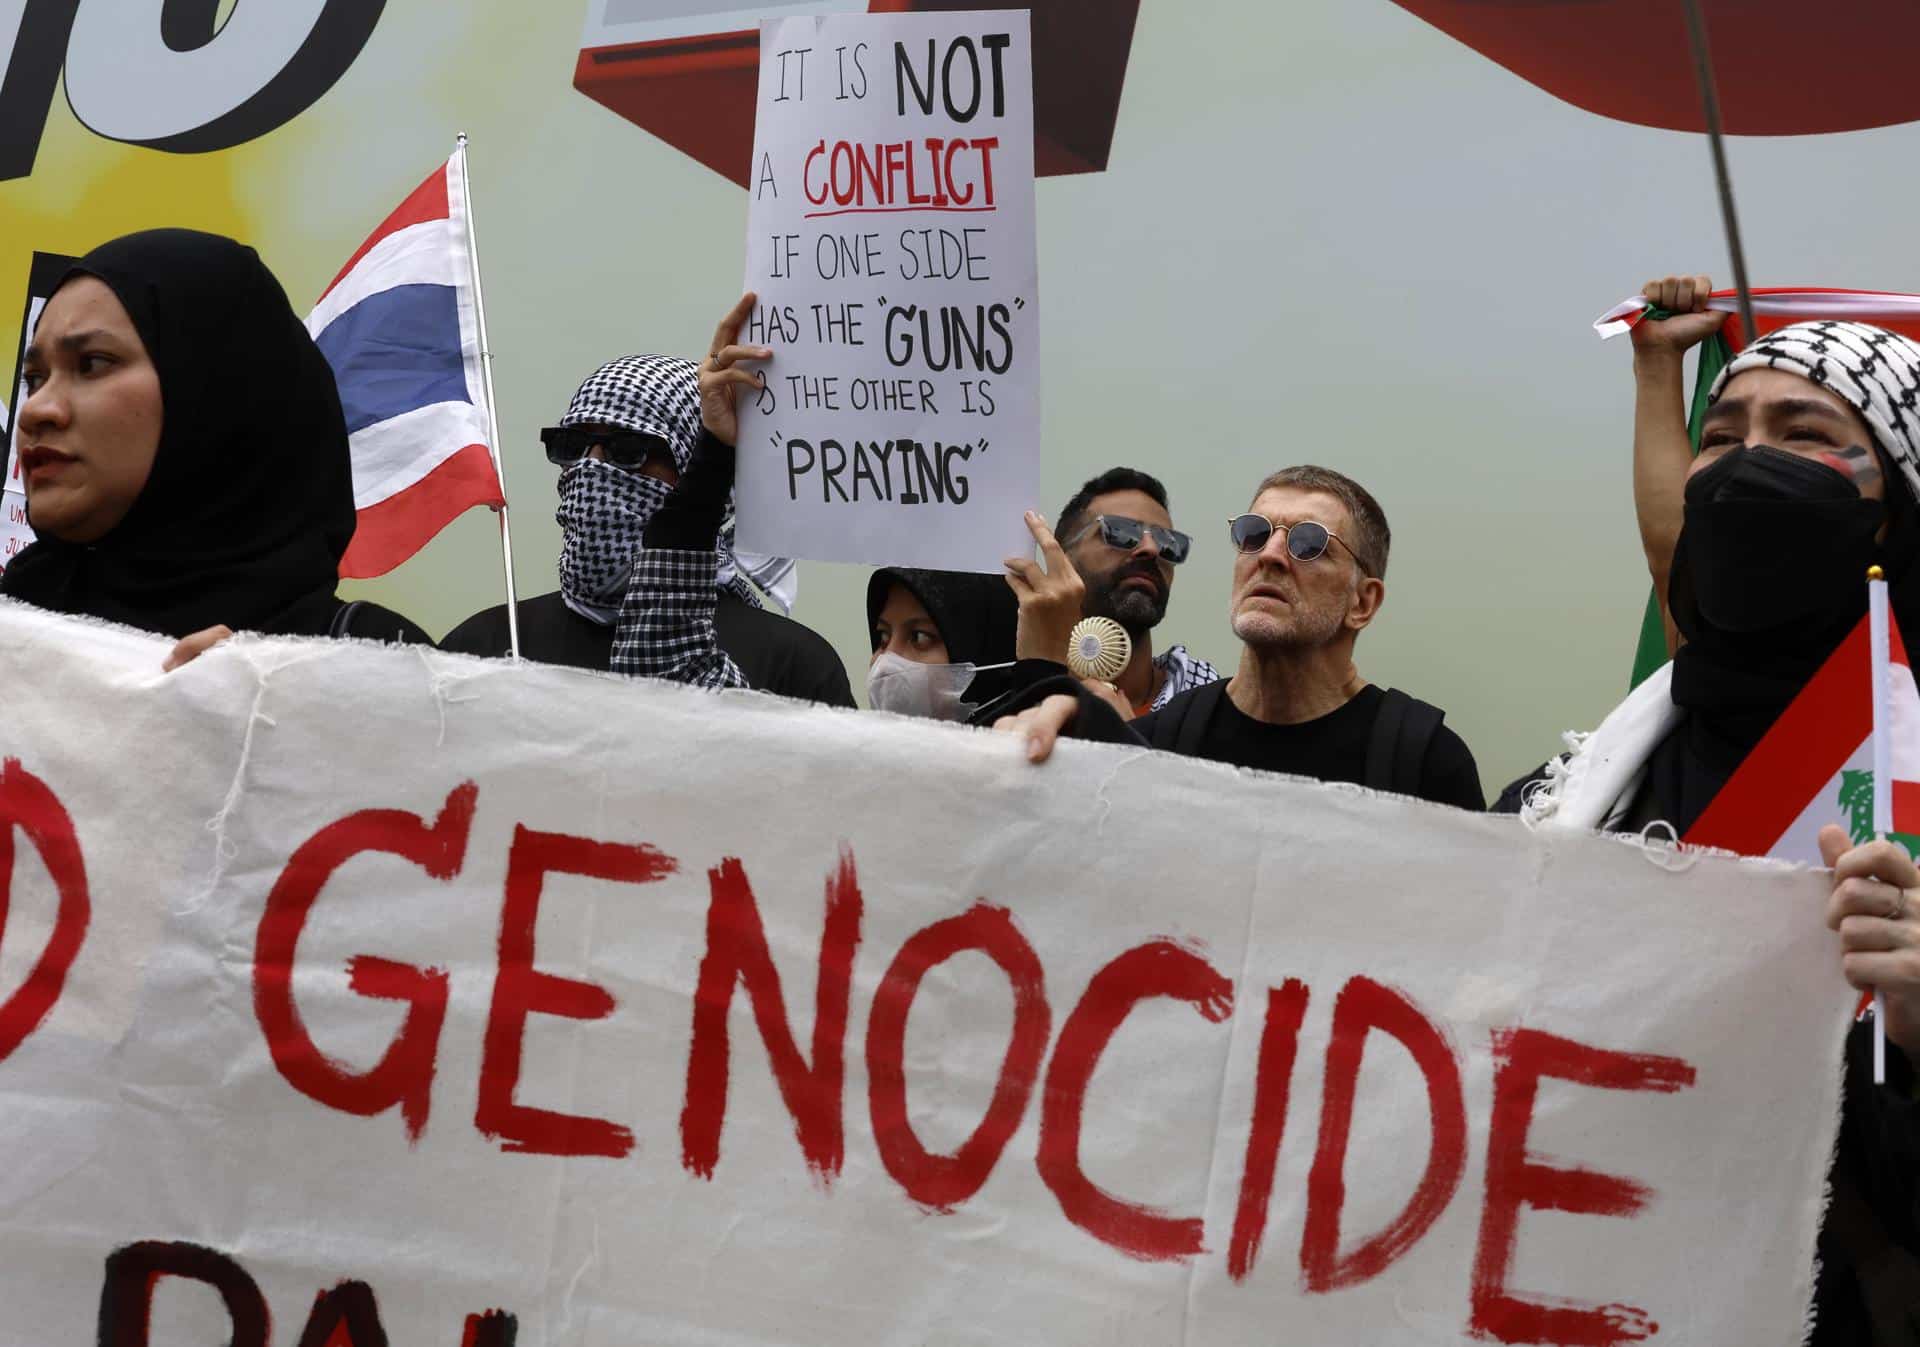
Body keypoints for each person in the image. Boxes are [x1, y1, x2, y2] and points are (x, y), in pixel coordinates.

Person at [1504, 321, 1920, 1341]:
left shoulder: (1906, 787)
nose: (1746, 466)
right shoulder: (1575, 797)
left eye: (1803, 431)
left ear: (1889, 510)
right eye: (1721, 433)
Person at [2, 228, 428, 668]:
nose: (36, 411)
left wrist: (277, 719)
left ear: (215, 390)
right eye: (34, 379)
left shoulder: (379, 665)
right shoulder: (14, 631)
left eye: (91, 363)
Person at [988, 465, 1484, 809]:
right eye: (1252, 534)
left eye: (1309, 544)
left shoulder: (1424, 761)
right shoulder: (1162, 743)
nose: (1269, 555)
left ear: (1363, 603)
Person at [440, 301, 853, 707]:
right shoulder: (484, 647)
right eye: (572, 446)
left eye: (626, 451)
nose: (590, 468)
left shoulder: (788, 663)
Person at [1002, 468, 1218, 714]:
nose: (1151, 549)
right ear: (1063, 558)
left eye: (1168, 543)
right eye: (1121, 532)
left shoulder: (1207, 706)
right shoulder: (998, 692)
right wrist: (1040, 669)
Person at [867, 566, 1018, 720]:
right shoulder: (862, 742)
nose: (885, 664)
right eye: (883, 637)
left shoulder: (1030, 742)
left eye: (919, 637)